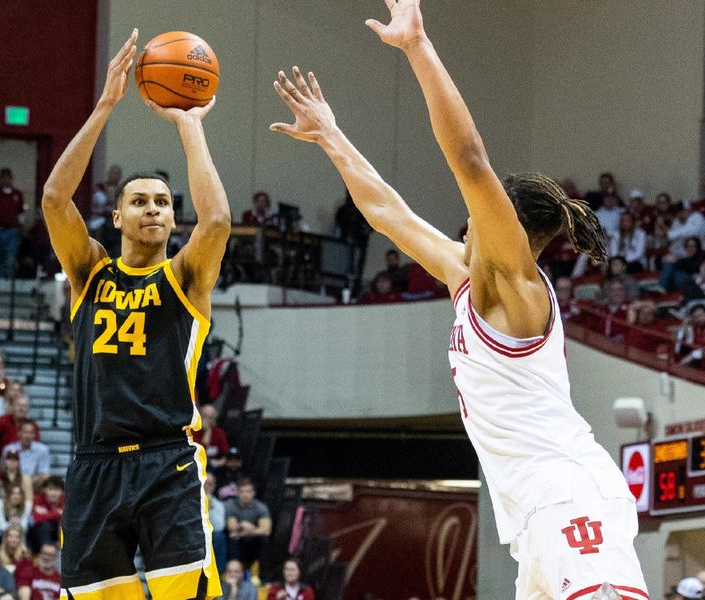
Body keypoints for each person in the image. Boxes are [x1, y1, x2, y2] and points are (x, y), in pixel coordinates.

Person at [270, 1, 647, 597]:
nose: (463, 225)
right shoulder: (466, 275)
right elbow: (388, 213)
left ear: (500, 229)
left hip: (569, 497)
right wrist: (330, 136)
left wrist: (418, 47)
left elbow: (470, 161)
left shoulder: (515, 288)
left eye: (476, 216)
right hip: (534, 515)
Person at [43, 30, 229, 600]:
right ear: (116, 216)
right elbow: (54, 198)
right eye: (140, 201)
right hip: (94, 464)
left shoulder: (184, 277)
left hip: (167, 461)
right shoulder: (89, 272)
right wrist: (104, 106)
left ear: (174, 221)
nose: (153, 209)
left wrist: (189, 126)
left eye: (163, 204)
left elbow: (217, 220)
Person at [225, 479, 271, 569]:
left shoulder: (261, 507)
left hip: (253, 539)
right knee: (232, 537)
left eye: (248, 491)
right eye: (242, 491)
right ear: (237, 492)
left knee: (264, 540)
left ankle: (262, 574)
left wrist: (251, 530)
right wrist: (242, 525)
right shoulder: (231, 505)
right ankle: (233, 570)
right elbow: (232, 527)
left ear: (254, 493)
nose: (245, 494)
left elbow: (266, 530)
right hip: (238, 539)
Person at [0, 396, 37, 460]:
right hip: (6, 458)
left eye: (24, 406)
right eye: (18, 405)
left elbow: (36, 442)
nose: (21, 408)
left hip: (28, 458)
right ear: (13, 407)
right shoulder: (2, 421)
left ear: (28, 409)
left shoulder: (32, 425)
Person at [0, 423, 48, 487]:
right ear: (19, 434)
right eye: (25, 432)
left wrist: (27, 482)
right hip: (12, 483)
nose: (28, 436)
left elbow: (44, 474)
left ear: (34, 435)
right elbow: (3, 471)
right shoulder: (9, 449)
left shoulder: (42, 450)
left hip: (33, 484)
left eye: (31, 433)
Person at [27, 478, 63, 554]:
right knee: (44, 525)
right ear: (44, 490)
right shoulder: (37, 499)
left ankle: (62, 554)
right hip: (39, 534)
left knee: (63, 524)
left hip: (58, 532)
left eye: (57, 490)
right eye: (50, 489)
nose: (53, 493)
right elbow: (37, 518)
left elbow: (67, 518)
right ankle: (46, 553)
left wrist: (46, 513)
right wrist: (57, 513)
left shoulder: (66, 500)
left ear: (62, 492)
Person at [191, 404, 229, 469]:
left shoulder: (219, 433)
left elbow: (226, 456)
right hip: (195, 465)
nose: (209, 420)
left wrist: (218, 462)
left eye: (211, 417)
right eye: (205, 417)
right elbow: (198, 453)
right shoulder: (193, 431)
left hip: (213, 466)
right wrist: (207, 431)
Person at [204, 473, 226, 574]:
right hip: (193, 535)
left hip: (208, 536)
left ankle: (218, 572)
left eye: (211, 484)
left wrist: (210, 508)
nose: (207, 486)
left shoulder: (218, 505)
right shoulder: (189, 500)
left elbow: (219, 527)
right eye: (205, 483)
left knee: (219, 536)